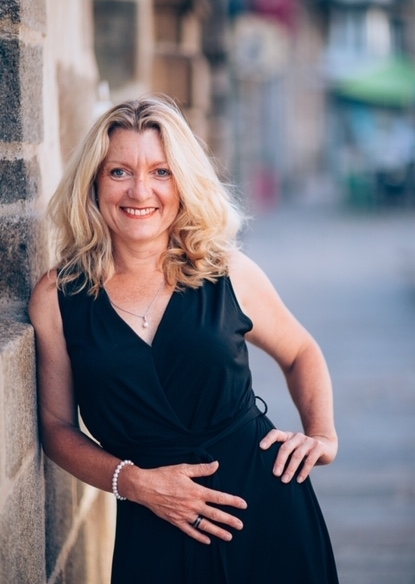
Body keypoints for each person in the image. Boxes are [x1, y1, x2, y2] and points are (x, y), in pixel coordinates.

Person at [29, 95, 339, 583]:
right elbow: (56, 427)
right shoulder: (58, 297)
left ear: (183, 182)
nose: (140, 191)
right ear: (93, 182)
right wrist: (135, 484)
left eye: (161, 171)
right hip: (153, 528)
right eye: (119, 172)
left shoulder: (227, 270)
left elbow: (301, 352)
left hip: (266, 513)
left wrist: (322, 435)